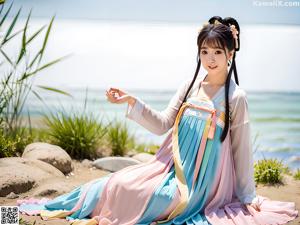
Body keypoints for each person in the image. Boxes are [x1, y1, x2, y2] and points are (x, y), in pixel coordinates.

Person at [18, 16, 298, 225]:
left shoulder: (236, 96)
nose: (210, 59)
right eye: (204, 52)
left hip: (204, 185)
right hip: (167, 169)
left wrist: (246, 196)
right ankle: (14, 213)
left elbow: (241, 150)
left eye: (217, 52)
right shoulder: (189, 86)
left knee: (164, 200)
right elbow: (163, 124)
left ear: (230, 54)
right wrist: (132, 102)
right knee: (117, 183)